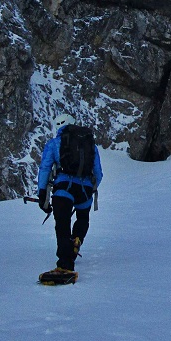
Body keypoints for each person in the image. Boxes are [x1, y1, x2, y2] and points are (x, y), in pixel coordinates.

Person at [36, 113, 103, 283]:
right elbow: (99, 173)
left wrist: (42, 194)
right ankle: (77, 239)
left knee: (62, 225)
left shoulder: (54, 143)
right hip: (85, 190)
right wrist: (90, 189)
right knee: (82, 218)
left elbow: (45, 168)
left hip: (63, 188)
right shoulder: (90, 144)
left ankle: (65, 264)